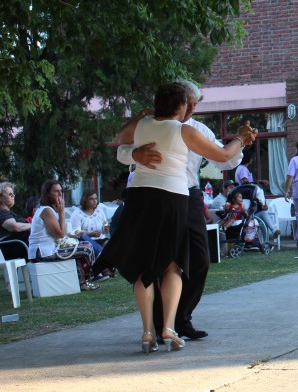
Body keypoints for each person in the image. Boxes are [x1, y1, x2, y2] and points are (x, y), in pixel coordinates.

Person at [98, 82, 256, 353]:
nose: (191, 109)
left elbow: (121, 136)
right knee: (172, 264)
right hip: (172, 198)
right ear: (181, 104)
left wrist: (142, 116)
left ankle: (152, 330)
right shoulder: (183, 130)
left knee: (153, 265)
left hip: (146, 197)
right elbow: (223, 154)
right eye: (189, 104)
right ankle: (167, 328)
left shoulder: (146, 124)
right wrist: (241, 139)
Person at [28, 180, 100, 291]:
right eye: (56, 191)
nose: (60, 194)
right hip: (42, 252)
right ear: (47, 194)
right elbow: (60, 234)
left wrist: (71, 235)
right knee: (86, 248)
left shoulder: (51, 210)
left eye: (61, 191)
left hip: (48, 249)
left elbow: (62, 232)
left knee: (83, 246)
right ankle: (87, 279)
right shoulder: (46, 211)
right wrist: (62, 212)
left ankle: (83, 282)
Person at [69, 189, 114, 280]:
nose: (94, 201)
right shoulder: (77, 213)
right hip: (86, 240)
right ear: (85, 200)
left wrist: (105, 229)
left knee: (109, 244)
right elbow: (76, 232)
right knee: (93, 246)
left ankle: (108, 267)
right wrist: (90, 234)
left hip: (100, 238)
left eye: (96, 198)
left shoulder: (99, 211)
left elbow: (104, 226)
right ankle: (103, 270)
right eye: (91, 199)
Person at [0, 182, 31, 252]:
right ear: (0, 197)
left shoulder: (10, 213)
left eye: (13, 194)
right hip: (9, 248)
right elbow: (15, 227)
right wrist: (34, 225)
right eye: (10, 194)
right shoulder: (1, 212)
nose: (13, 196)